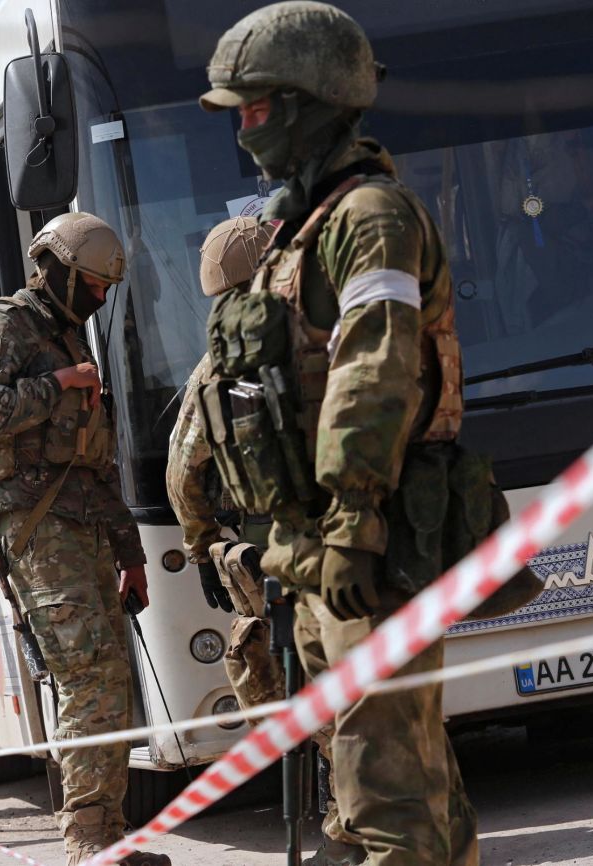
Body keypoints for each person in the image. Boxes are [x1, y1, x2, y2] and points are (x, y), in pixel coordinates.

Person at [198, 4, 480, 865]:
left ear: (310, 103)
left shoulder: (370, 218)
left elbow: (376, 369)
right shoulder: (297, 227)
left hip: (369, 542)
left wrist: (354, 519)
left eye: (254, 109)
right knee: (405, 790)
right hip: (319, 553)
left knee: (388, 802)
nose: (243, 131)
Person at [0, 212, 170, 866]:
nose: (102, 299)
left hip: (86, 534)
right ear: (59, 269)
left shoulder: (68, 336)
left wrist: (131, 555)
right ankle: (86, 846)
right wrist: (60, 386)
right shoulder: (3, 327)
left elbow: (96, 461)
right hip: (37, 530)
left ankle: (109, 841)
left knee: (109, 685)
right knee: (86, 682)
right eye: (95, 285)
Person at [166, 215, 365, 866]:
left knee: (306, 688)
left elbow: (183, 472)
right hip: (342, 536)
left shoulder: (215, 366)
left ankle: (343, 832)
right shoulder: (320, 336)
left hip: (267, 551)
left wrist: (203, 545)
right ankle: (354, 824)